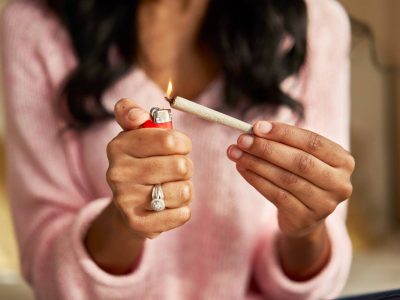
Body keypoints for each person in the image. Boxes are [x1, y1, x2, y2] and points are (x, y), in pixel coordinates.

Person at [1, 0, 355, 299]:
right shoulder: (36, 24)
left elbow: (313, 279)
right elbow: (48, 274)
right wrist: (125, 222)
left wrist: (307, 228)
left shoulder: (316, 23)